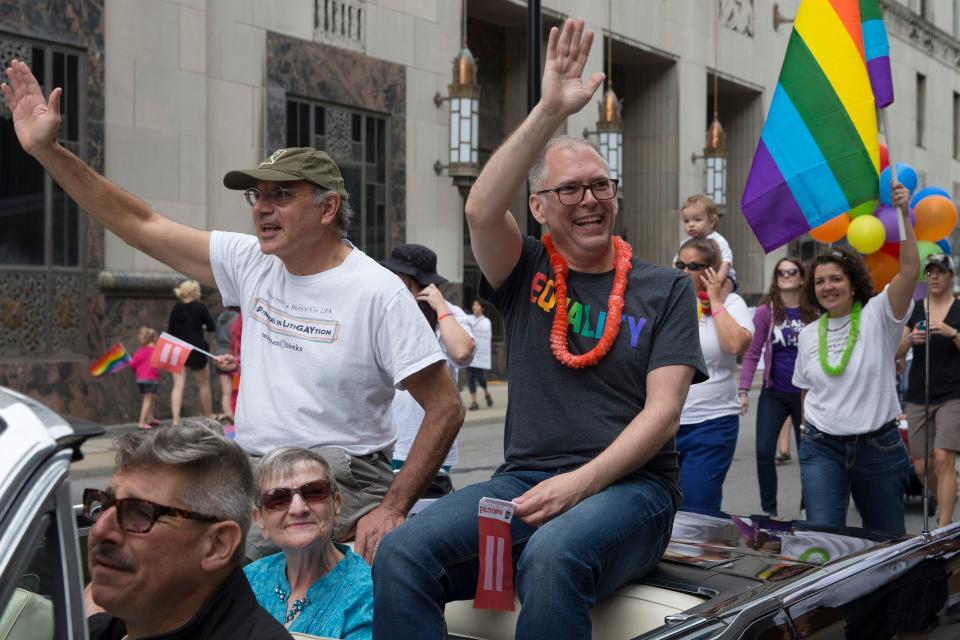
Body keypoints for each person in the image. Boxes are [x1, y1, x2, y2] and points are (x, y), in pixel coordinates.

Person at [2, 60, 463, 561]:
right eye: (257, 194)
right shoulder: (250, 261)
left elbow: (445, 408)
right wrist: (48, 152)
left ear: (328, 209)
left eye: (281, 195)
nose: (261, 208)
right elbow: (140, 223)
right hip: (251, 474)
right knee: (150, 547)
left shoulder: (377, 291)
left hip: (336, 485)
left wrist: (392, 509)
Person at [373, 19, 707, 638]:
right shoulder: (524, 268)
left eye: (601, 185)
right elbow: (478, 207)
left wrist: (576, 487)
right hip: (523, 481)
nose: (590, 200)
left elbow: (662, 416)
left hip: (633, 493)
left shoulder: (667, 288)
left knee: (553, 556)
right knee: (401, 553)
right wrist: (551, 109)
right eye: (571, 189)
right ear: (539, 207)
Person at [81, 421, 292, 639]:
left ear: (217, 545)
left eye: (140, 514)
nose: (100, 530)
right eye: (103, 505)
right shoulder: (92, 631)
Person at [792, 184, 917, 535]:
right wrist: (807, 429)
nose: (828, 287)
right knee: (823, 541)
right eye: (820, 282)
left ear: (853, 284)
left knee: (887, 543)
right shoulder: (807, 334)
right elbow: (806, 390)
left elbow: (908, 272)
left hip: (878, 447)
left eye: (836, 279)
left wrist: (904, 215)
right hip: (821, 448)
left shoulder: (880, 315)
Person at [244, 447, 373, 638]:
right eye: (277, 498)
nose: (298, 509)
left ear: (336, 504)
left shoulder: (369, 592)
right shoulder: (248, 581)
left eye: (314, 492)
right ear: (260, 519)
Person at [381, 244, 475, 496]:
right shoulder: (386, 310)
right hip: (387, 444)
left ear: (415, 282)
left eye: (397, 275)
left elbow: (462, 352)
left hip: (430, 443)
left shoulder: (449, 316)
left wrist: (441, 307)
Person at [675, 237, 753, 514]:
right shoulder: (669, 302)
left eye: (693, 266)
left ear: (711, 270)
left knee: (697, 508)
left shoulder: (731, 302)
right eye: (680, 264)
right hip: (666, 423)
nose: (684, 271)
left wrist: (715, 298)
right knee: (663, 507)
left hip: (712, 423)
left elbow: (735, 345)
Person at [739, 258, 819, 517]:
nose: (786, 275)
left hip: (807, 395)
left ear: (802, 277)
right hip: (774, 392)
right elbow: (753, 353)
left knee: (809, 453)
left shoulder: (815, 311)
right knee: (763, 450)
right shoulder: (767, 311)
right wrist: (743, 390)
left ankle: (809, 508)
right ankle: (769, 513)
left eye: (791, 271)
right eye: (781, 272)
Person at [897, 253, 960, 528]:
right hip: (918, 395)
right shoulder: (916, 309)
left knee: (944, 459)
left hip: (953, 394)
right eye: (930, 273)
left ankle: (943, 528)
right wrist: (911, 339)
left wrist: (952, 333)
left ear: (951, 276)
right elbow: (896, 350)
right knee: (923, 467)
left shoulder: (959, 309)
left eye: (940, 272)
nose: (934, 277)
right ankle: (947, 496)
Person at [167, 279, 216, 425]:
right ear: (194, 292)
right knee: (203, 385)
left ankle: (175, 420)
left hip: (177, 349)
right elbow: (211, 326)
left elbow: (171, 331)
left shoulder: (176, 308)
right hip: (196, 350)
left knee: (177, 385)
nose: (200, 293)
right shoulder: (200, 307)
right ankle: (209, 416)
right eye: (199, 290)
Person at [677, 194, 736, 295]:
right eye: (686, 221)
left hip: (722, 277)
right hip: (697, 280)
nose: (691, 224)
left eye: (697, 219)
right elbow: (676, 263)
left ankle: (715, 305)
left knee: (727, 285)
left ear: (712, 221)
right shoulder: (686, 243)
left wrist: (716, 282)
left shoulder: (719, 240)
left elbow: (726, 263)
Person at [465, 299, 494, 410]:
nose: (474, 307)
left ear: (483, 308)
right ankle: (474, 402)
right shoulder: (469, 319)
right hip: (470, 353)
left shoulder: (486, 321)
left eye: (477, 305)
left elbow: (487, 338)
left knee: (480, 377)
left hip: (480, 356)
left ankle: (486, 392)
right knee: (470, 377)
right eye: (473, 305)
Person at [129, 326, 160, 430]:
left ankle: (150, 418)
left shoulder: (140, 351)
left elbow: (133, 364)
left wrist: (137, 371)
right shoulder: (155, 350)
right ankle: (142, 422)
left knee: (151, 397)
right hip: (150, 379)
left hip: (141, 379)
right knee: (147, 399)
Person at [213, 307, 240, 421]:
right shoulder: (238, 318)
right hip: (232, 354)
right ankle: (235, 414)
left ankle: (228, 413)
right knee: (236, 388)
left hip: (219, 355)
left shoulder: (220, 318)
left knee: (225, 390)